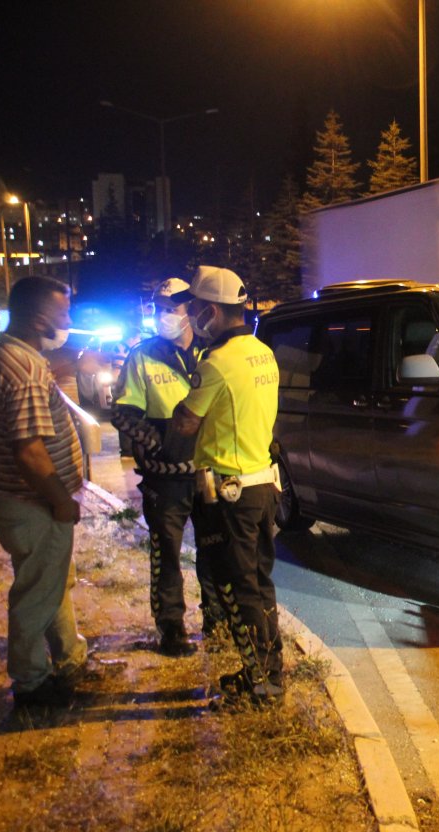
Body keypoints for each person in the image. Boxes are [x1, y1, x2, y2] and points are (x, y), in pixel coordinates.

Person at [168, 266, 283, 707]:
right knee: (259, 583)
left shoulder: (215, 364)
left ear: (211, 311)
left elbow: (186, 422)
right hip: (261, 487)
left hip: (229, 494)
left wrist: (182, 410)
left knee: (236, 588)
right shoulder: (263, 353)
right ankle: (268, 673)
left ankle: (263, 687)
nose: (193, 316)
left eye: (196, 308)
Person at [0, 276, 89, 708]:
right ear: (40, 317)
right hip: (32, 502)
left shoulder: (0, 354)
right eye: (63, 313)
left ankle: (69, 657)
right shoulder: (24, 368)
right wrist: (61, 499)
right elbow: (29, 450)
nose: (68, 321)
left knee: (49, 583)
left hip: (13, 498)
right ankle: (31, 682)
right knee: (36, 593)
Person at [111, 278, 216, 656]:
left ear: (190, 311)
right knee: (166, 555)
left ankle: (216, 623)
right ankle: (171, 628)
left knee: (214, 551)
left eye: (170, 309)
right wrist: (160, 444)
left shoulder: (211, 352)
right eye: (158, 308)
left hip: (210, 474)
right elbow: (122, 414)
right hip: (165, 479)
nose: (162, 316)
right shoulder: (142, 356)